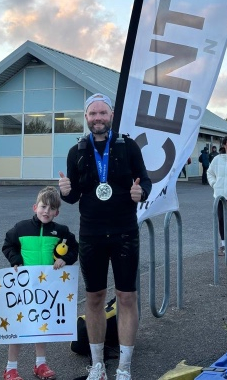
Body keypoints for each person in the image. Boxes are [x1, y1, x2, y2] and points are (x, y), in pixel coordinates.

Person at [58, 93, 152, 380]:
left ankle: (124, 367)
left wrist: (141, 192)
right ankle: (97, 364)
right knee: (95, 297)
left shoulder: (128, 146)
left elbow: (145, 179)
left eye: (102, 113)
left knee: (126, 297)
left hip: (124, 232)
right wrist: (65, 191)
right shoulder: (77, 151)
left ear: (111, 115)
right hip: (92, 234)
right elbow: (74, 195)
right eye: (92, 113)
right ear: (86, 117)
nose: (97, 118)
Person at [1, 186, 79, 380]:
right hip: (24, 287)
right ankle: (10, 368)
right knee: (18, 327)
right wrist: (16, 261)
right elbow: (8, 245)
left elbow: (74, 248)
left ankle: (40, 364)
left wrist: (65, 259)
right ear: (35, 207)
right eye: (43, 207)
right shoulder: (21, 228)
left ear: (57, 212)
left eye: (51, 208)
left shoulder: (61, 231)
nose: (46, 211)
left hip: (47, 289)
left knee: (42, 325)